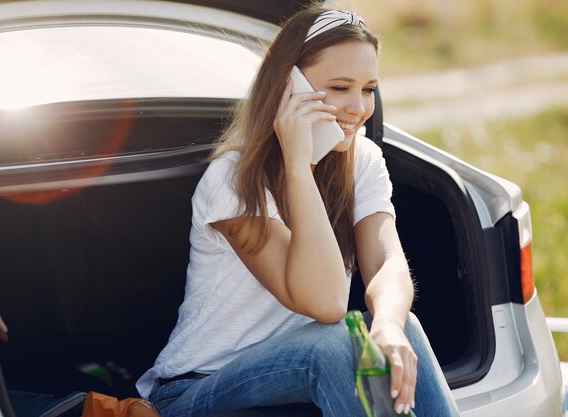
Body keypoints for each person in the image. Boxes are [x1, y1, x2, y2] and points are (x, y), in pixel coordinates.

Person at [136, 4, 460, 417]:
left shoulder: (362, 160)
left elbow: (385, 262)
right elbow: (324, 303)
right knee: (340, 341)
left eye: (368, 88)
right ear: (288, 85)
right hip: (194, 392)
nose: (358, 108)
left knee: (401, 327)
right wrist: (298, 165)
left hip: (296, 386)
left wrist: (390, 325)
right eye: (340, 87)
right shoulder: (232, 181)